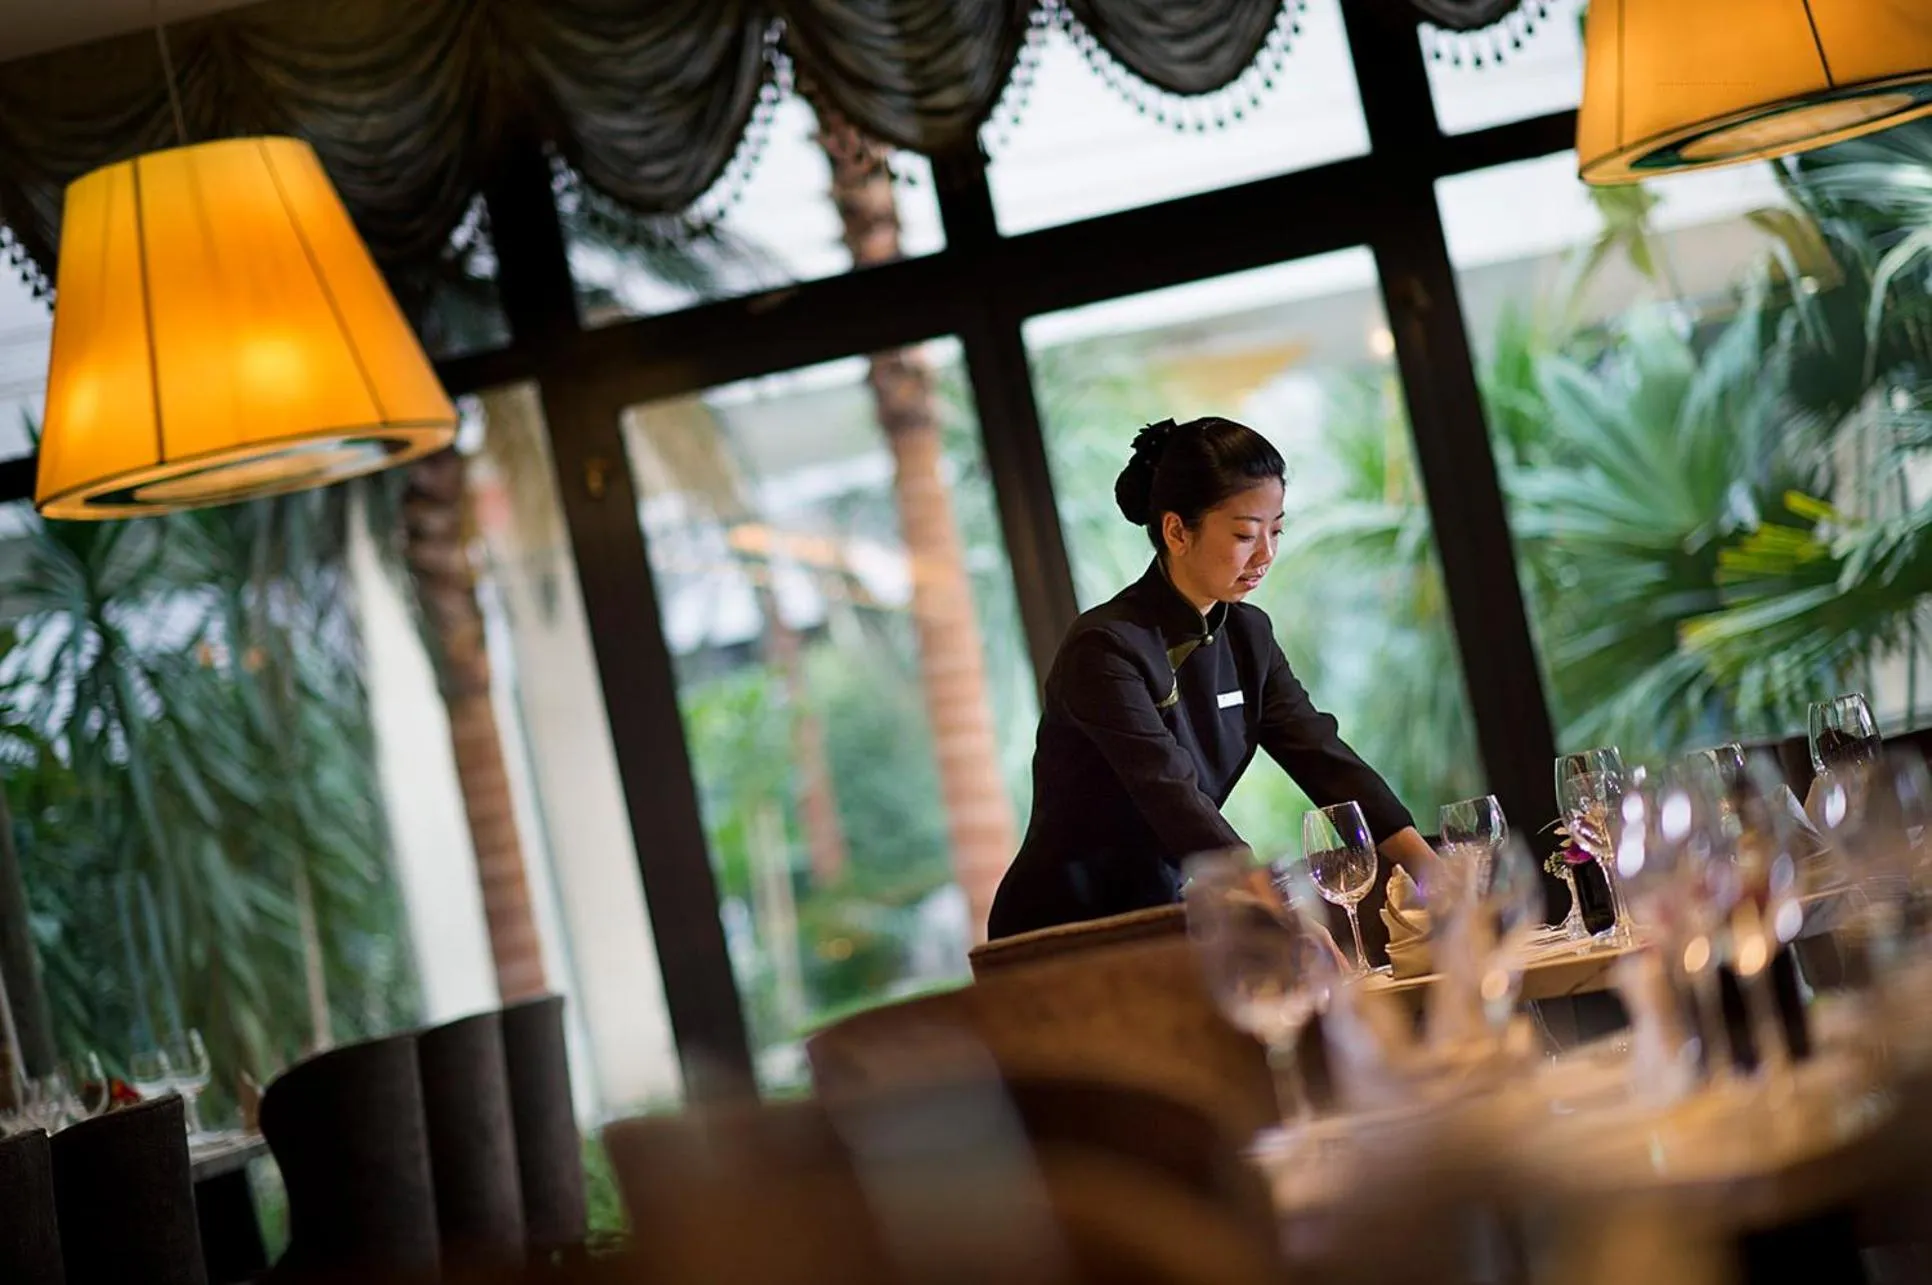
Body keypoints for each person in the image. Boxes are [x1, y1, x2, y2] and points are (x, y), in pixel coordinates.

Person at [986, 416, 1439, 939]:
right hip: (1064, 927)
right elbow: (1171, 794)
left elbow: (1322, 758)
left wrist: (1433, 871)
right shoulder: (1106, 647)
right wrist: (1280, 915)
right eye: (1245, 534)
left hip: (1164, 911)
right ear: (1177, 531)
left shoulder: (1248, 635)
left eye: (1276, 531)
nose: (1266, 554)